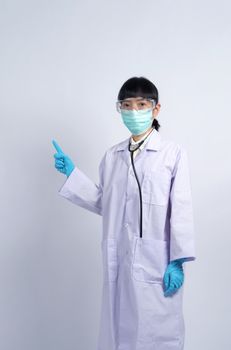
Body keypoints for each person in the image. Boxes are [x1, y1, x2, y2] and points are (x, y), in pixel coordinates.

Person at [52, 76, 196, 350]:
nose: (134, 112)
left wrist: (178, 260)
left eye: (141, 104)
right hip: (119, 259)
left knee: (157, 337)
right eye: (127, 105)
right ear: (119, 109)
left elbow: (182, 209)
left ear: (156, 109)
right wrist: (73, 175)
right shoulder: (112, 156)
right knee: (119, 336)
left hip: (156, 263)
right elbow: (108, 204)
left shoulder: (172, 154)